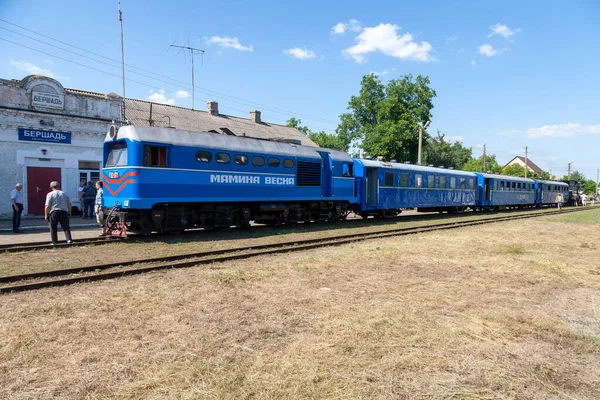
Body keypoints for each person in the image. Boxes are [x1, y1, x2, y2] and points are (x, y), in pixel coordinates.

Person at [44, 181, 73, 245]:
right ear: (58, 186)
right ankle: (69, 240)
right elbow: (69, 204)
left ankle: (54, 242)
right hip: (64, 211)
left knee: (53, 227)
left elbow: (47, 206)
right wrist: (69, 211)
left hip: (54, 212)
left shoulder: (49, 194)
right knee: (66, 226)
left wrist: (46, 214)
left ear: (51, 187)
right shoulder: (64, 193)